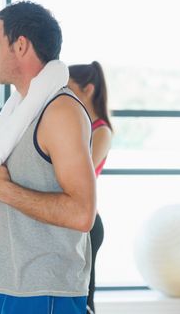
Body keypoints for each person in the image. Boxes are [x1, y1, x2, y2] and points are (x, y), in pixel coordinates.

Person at [0, 1, 97, 314]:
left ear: (21, 45)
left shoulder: (60, 112)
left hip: (46, 290)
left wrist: (3, 190)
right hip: (12, 285)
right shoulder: (19, 111)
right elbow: (15, 184)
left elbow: (83, 214)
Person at [68, 62, 113, 314]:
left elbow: (82, 173)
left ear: (88, 89)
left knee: (85, 297)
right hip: (73, 220)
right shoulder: (79, 126)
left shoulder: (101, 131)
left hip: (88, 222)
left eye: (70, 88)